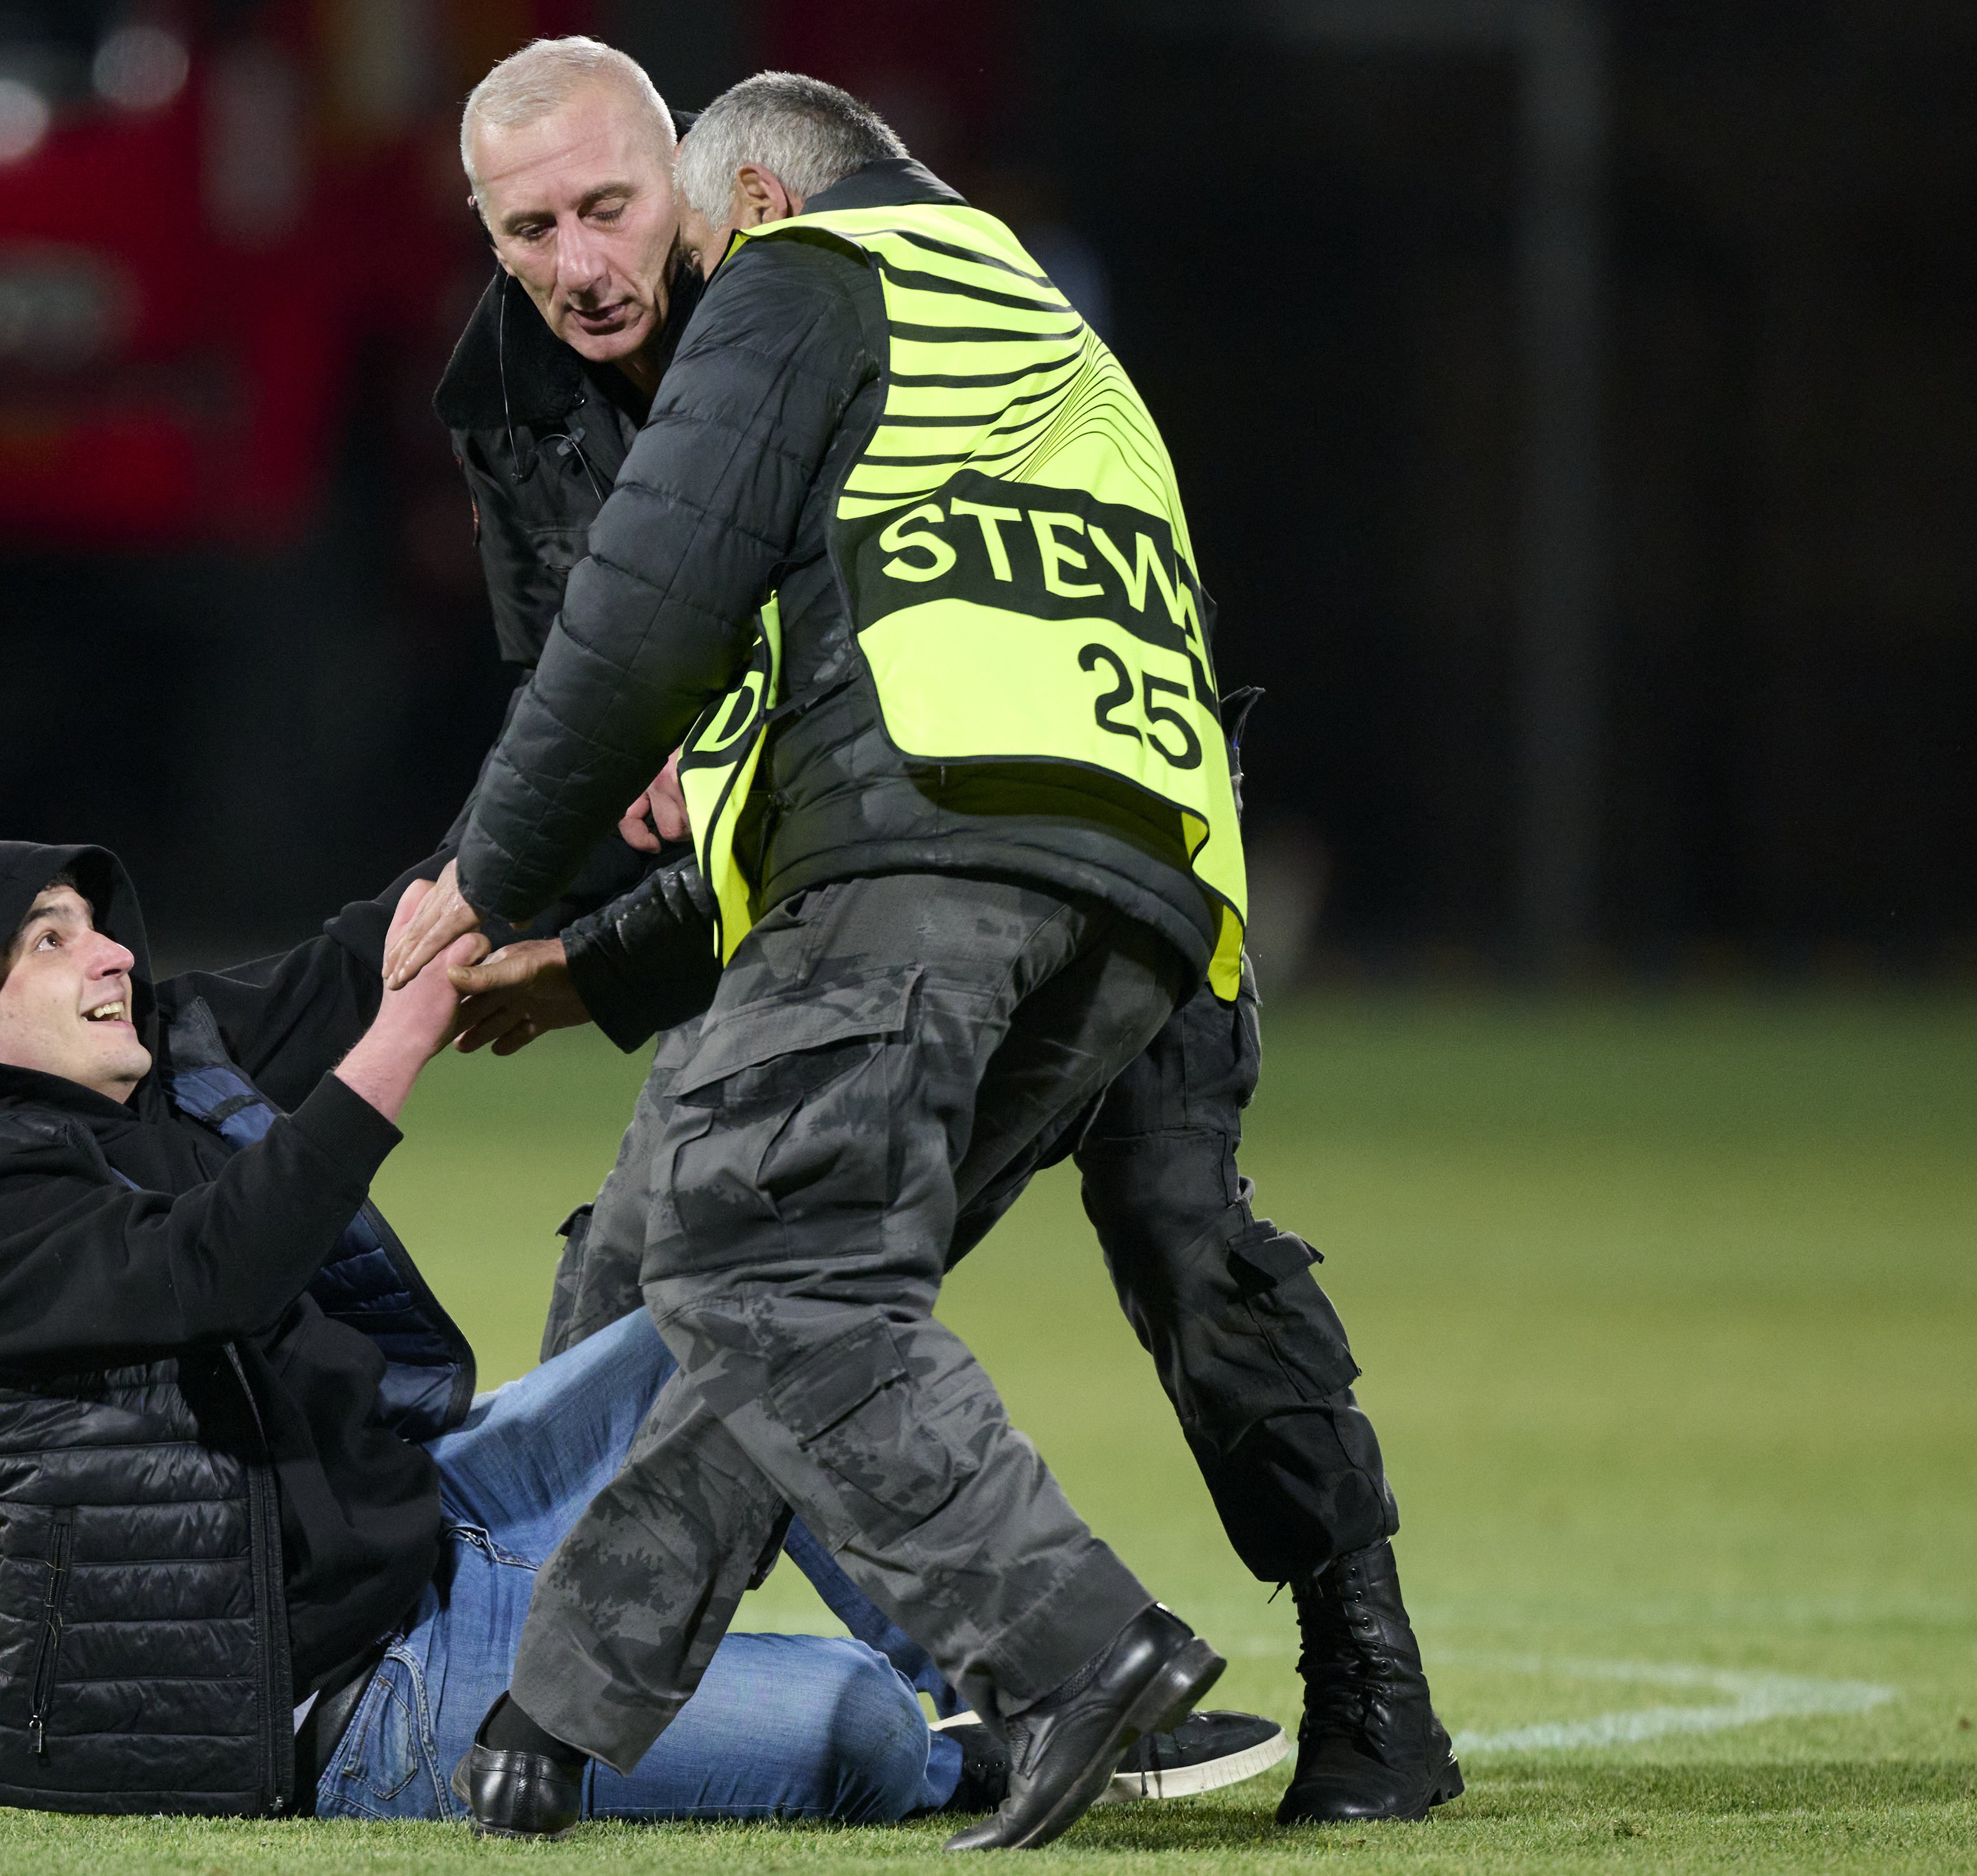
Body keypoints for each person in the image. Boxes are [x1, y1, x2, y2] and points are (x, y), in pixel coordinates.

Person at [393, 69, 1461, 1849]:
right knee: (664, 1271)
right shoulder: (533, 405)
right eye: (528, 231)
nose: (578, 263)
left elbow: (732, 645)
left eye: (607, 209)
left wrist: (497, 880)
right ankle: (554, 1710)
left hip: (1002, 840)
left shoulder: (822, 292)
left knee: (1159, 1262)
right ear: (485, 241)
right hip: (956, 856)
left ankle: (1285, 1672)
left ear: (708, 192)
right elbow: (665, 717)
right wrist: (597, 939)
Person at [0, 837, 1002, 1824]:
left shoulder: (160, 1057)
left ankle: (1019, 1684)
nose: (113, 951)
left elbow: (375, 947)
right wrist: (409, 1031)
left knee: (772, 1311)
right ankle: (945, 1755)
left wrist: (612, 817)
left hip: (438, 1523)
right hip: (336, 1697)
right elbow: (216, 1267)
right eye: (49, 940)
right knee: (862, 1730)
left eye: (90, 922)